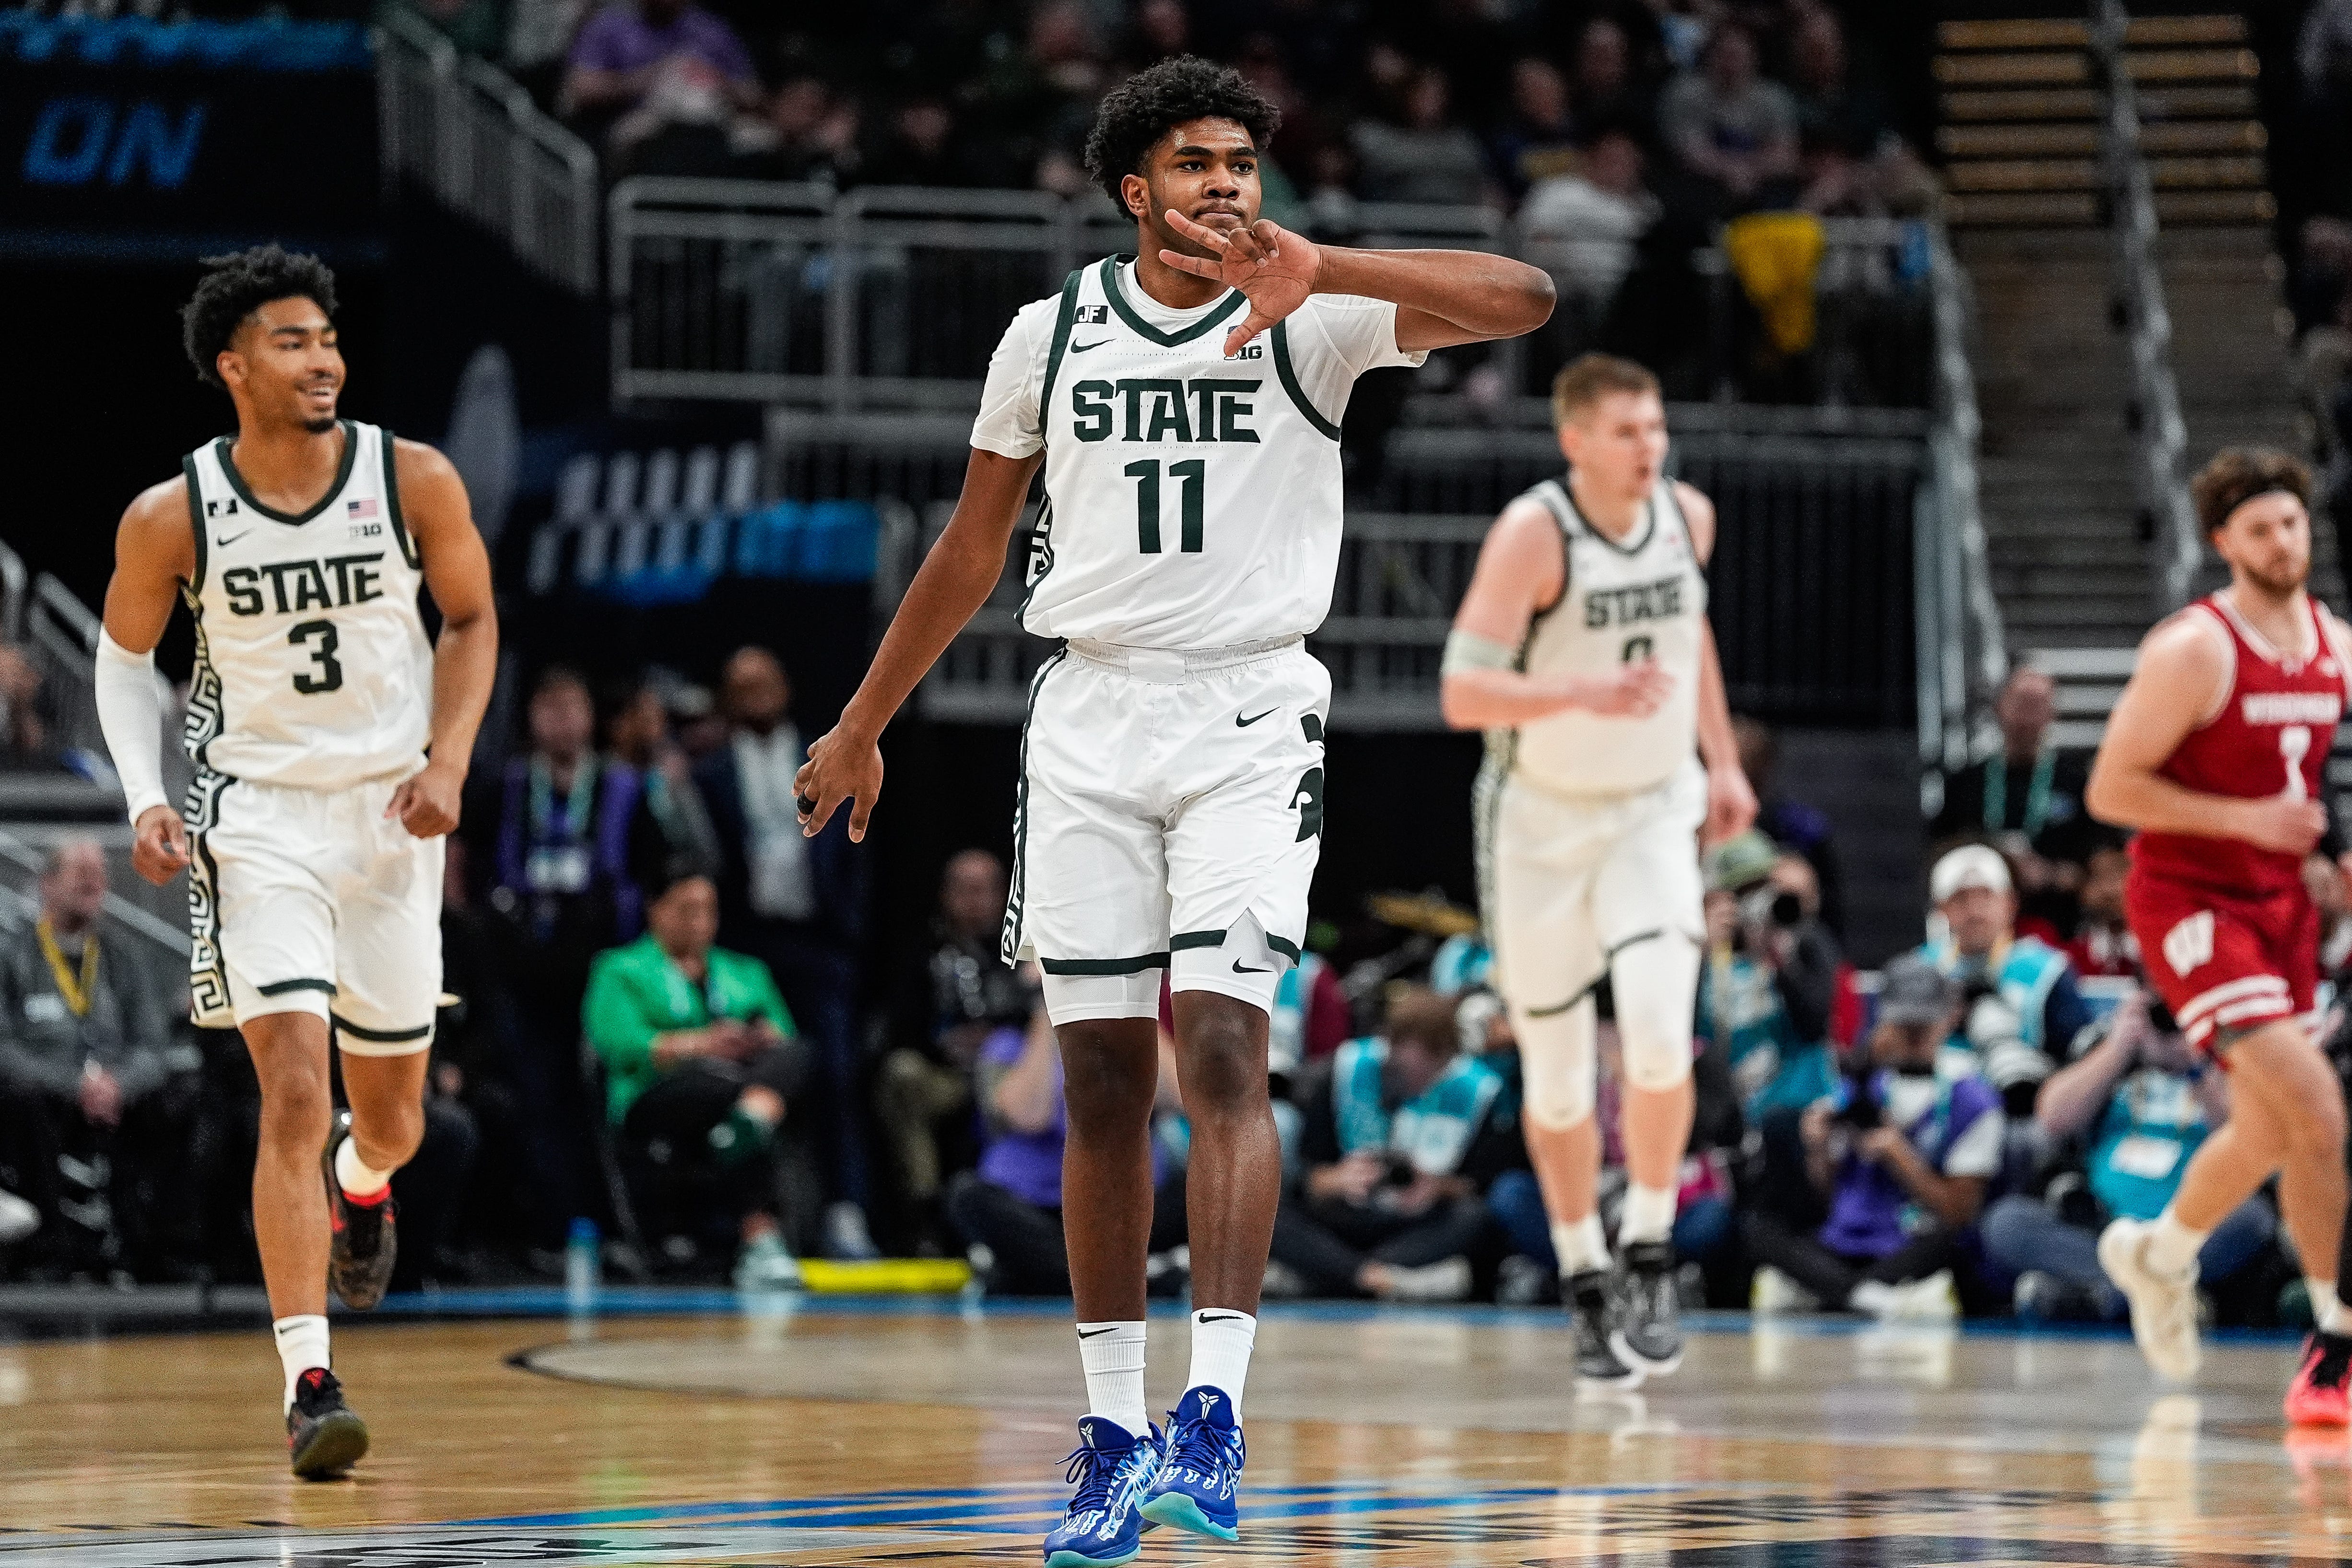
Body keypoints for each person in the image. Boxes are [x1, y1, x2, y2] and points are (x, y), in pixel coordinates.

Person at [792, 54, 1551, 1561]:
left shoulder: (1315, 313)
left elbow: (1521, 295)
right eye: (1195, 163)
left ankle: (1212, 1401)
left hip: (1249, 708)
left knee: (1219, 1039)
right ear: (1134, 188)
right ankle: (1106, 1429)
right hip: (1084, 711)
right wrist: (863, 721)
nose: (1226, 185)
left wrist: (1322, 263)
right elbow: (965, 548)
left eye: (1242, 164)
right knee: (1092, 1083)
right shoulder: (1050, 331)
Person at [94, 246, 496, 1476]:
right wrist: (150, 798)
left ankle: (363, 1187)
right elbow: (123, 659)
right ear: (232, 365)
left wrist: (450, 760)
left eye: (326, 338)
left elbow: (471, 619)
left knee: (394, 1121)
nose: (321, 357)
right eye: (290, 340)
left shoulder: (410, 476)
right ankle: (309, 1381)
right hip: (258, 819)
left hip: (389, 823)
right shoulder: (173, 513)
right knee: (290, 1091)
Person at [1440, 352, 1756, 1386]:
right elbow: (1462, 691)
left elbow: (1689, 630)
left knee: (1665, 1035)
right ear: (1573, 439)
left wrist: (1722, 759)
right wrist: (1578, 689)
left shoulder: (1687, 517)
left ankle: (1652, 1246)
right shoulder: (1536, 531)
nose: (1648, 448)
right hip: (1538, 822)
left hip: (1651, 812)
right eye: (1626, 431)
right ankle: (1583, 1272)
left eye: (1655, 428)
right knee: (1561, 1075)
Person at [2085, 447, 2352, 1426]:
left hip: (2281, 903)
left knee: (2267, 1128)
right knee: (2319, 1111)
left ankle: (2157, 1252)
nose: (2282, 542)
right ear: (2221, 544)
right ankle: (2335, 1341)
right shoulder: (2193, 648)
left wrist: (2332, 857)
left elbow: (2317, 783)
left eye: (2291, 523)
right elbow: (2110, 789)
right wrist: (2247, 822)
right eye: (2259, 530)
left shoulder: (2334, 642)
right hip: (2191, 899)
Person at [695, 646, 872, 1260]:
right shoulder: (710, 769)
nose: (755, 695)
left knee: (837, 1077)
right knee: (752, 1076)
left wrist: (847, 922)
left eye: (764, 682)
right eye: (741, 686)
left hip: (817, 941)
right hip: (749, 947)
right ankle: (754, 1225)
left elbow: (857, 841)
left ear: (786, 687)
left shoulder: (823, 751)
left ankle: (847, 1212)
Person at [473, 665, 641, 1243]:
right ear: (532, 719)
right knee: (534, 1092)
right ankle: (545, 1225)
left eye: (572, 709)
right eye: (550, 710)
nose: (562, 723)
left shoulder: (627, 785)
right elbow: (461, 854)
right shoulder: (507, 784)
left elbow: (653, 869)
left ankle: (611, 1222)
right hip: (524, 964)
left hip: (603, 966)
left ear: (591, 718)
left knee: (593, 1093)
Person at [1984, 990, 2276, 1322]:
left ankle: (2104, 1296)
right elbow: (2052, 1117)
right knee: (2006, 1221)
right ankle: (2152, 1295)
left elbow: (2256, 1140)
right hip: (2102, 1226)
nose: (2170, 1024)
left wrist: (2198, 1067)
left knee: (2255, 1218)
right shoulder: (2112, 1046)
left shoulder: (2229, 1051)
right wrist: (2118, 1050)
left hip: (2190, 1224)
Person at [582, 869, 810, 1291]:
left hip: (736, 1087)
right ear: (656, 909)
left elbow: (782, 1036)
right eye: (687, 910)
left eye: (708, 911)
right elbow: (623, 1045)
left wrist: (754, 1039)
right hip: (655, 1094)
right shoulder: (620, 969)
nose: (700, 923)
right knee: (721, 1081)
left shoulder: (747, 971)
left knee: (797, 1055)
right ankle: (760, 1231)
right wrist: (704, 1045)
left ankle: (745, 1126)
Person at [1742, 955, 2003, 1320]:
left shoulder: (1973, 1099)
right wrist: (1818, 1151)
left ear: (1949, 1017)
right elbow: (1825, 1196)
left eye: (1922, 1024)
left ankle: (1832, 1291)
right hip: (1844, 1239)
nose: (1912, 1035)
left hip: (1912, 1240)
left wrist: (1899, 1156)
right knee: (1759, 1225)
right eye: (1903, 1023)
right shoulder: (1862, 1083)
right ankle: (1863, 1294)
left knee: (1958, 1241)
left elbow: (1959, 1212)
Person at [0, 838, 196, 1279]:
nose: (93, 880)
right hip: (46, 1090)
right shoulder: (14, 953)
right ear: (47, 883)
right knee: (21, 1103)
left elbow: (153, 1043)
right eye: (79, 871)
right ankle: (49, 1251)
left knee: (183, 1100)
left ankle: (162, 1250)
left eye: (99, 873)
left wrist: (119, 1084)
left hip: (118, 1090)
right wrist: (74, 1084)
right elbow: (5, 1046)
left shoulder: (122, 955)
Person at [1271, 987, 1514, 1302]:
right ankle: (1373, 1278)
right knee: (1270, 1212)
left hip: (1411, 1225)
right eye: (1411, 1060)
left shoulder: (1475, 1091)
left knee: (1475, 1219)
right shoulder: (1342, 1073)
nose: (1420, 1074)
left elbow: (1479, 1184)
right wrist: (1339, 1179)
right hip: (1344, 1215)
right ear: (1389, 1043)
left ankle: (1337, 1273)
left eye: (1435, 1063)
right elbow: (1307, 1176)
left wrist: (1436, 1187)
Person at [946, 985, 1188, 1297]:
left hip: (1122, 1208)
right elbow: (1031, 1114)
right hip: (1036, 1208)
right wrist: (1050, 1010)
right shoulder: (1007, 1045)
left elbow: (1182, 1096)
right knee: (967, 1196)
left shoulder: (1123, 1042)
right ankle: (1125, 1281)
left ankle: (1047, 1277)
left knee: (1198, 1184)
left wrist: (1134, 1001)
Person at [878, 849, 1033, 1248]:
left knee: (1001, 1062)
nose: (974, 901)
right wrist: (944, 1046)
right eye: (963, 890)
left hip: (1014, 1075)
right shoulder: (925, 951)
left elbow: (1043, 1015)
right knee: (902, 1074)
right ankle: (924, 1211)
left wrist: (997, 1034)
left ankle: (1009, 1199)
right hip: (948, 1075)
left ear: (1004, 895)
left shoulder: (1026, 948)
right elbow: (900, 1025)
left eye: (984, 890)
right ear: (945, 894)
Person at [1920, 843, 2096, 1113]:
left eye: (1986, 895)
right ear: (1942, 909)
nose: (1975, 909)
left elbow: (2083, 1058)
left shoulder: (2045, 969)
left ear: (2010, 903)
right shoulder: (1921, 970)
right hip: (1938, 1115)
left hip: (2024, 1113)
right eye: (1960, 899)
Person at [1933, 665, 2097, 938]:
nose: (2027, 716)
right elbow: (1939, 852)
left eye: (2037, 704)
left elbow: (2101, 863)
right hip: (1978, 927)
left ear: (2052, 713)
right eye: (2021, 703)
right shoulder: (1965, 783)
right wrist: (1995, 862)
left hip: (2059, 927)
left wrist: (2052, 874)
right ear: (1999, 708)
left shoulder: (2078, 782)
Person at [1693, 831, 1840, 1127]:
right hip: (1727, 1119)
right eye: (1743, 892)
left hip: (1797, 1114)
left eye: (1764, 886)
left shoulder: (1806, 940)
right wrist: (1700, 951)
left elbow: (1816, 1027)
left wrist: (1781, 961)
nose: (1756, 901)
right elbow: (1685, 1033)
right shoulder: (1702, 953)